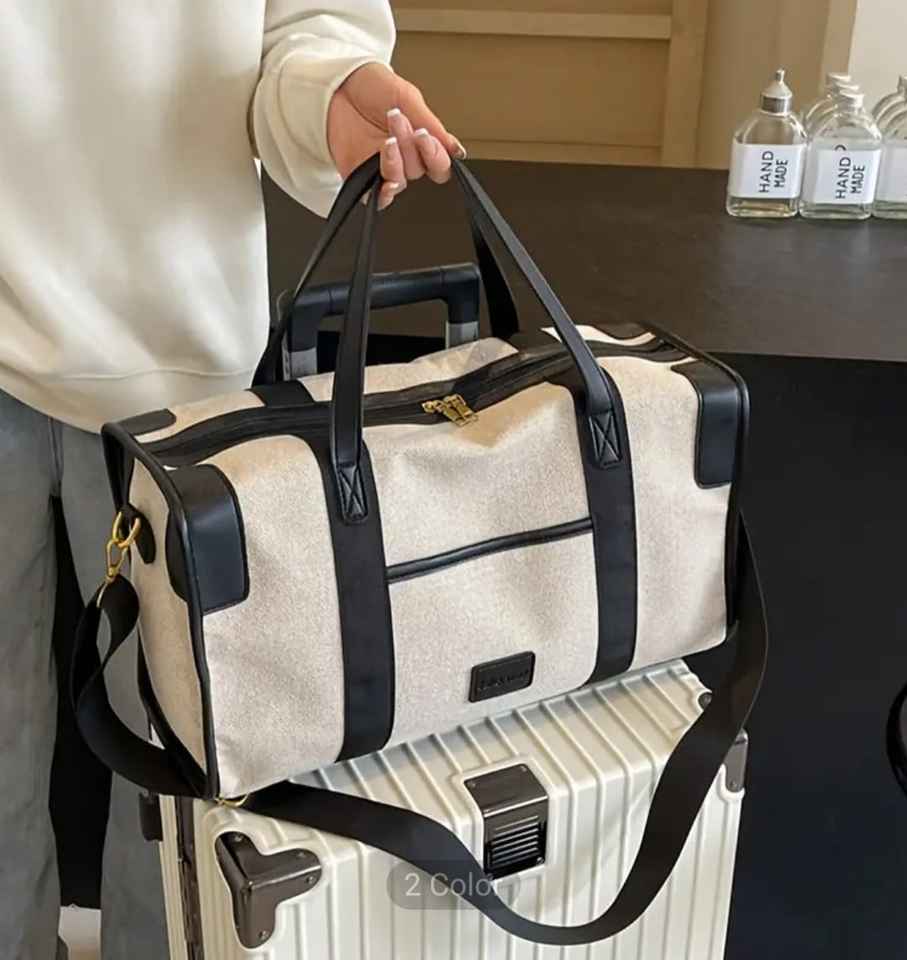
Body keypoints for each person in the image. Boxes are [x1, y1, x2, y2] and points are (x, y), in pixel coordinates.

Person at [0, 3, 462, 958]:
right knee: (169, 743)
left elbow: (303, 27)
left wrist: (332, 88)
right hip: (170, 338)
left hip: (167, 339)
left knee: (175, 755)